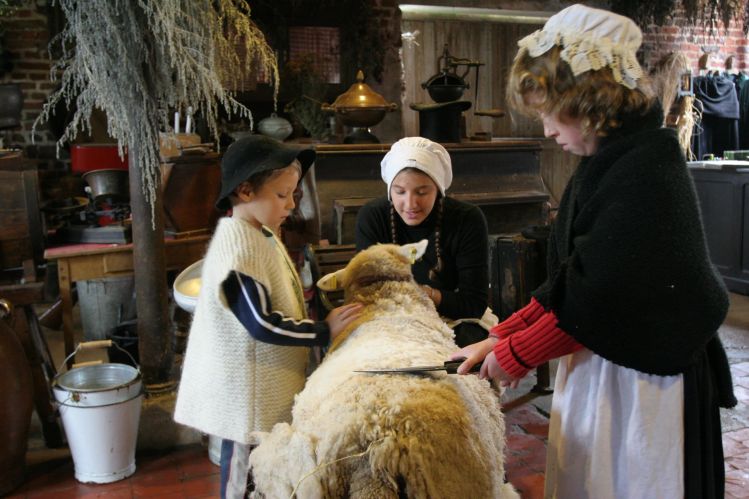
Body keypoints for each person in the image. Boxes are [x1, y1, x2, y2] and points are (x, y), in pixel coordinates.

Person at [450, 5, 737, 498]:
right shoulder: (608, 160)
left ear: (588, 100)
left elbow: (597, 296)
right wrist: (499, 337)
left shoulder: (646, 170)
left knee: (632, 484)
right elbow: (569, 280)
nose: (545, 131)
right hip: (610, 359)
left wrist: (513, 355)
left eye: (547, 113)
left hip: (645, 380)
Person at [174, 135, 362, 499]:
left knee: (267, 471)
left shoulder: (260, 235)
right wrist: (322, 331)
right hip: (245, 398)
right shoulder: (238, 248)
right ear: (245, 191)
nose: (290, 204)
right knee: (243, 478)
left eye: (293, 195)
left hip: (261, 387)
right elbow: (260, 323)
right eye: (282, 195)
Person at [355, 136, 496, 348]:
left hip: (453, 320)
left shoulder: (467, 219)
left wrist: (425, 294)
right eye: (400, 192)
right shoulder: (373, 217)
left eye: (422, 192)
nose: (410, 204)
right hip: (390, 320)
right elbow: (368, 292)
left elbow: (473, 304)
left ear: (438, 189)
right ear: (389, 189)